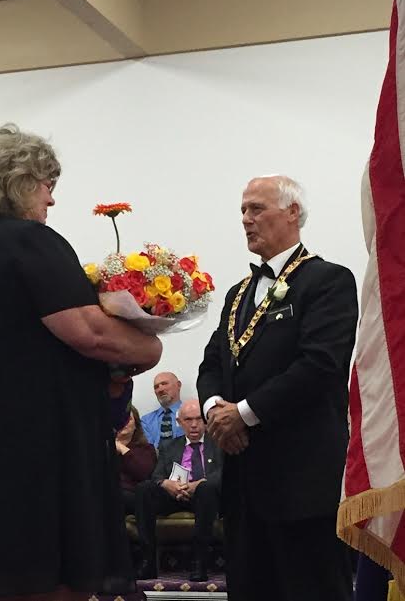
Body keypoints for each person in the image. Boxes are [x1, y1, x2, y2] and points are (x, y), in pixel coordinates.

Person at [0, 123, 162, 601]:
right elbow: (91, 333)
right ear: (17, 181)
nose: (52, 200)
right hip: (39, 442)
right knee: (55, 579)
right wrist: (151, 347)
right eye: (47, 186)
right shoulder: (26, 240)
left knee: (13, 581)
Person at [197, 175, 358, 601]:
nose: (246, 219)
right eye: (243, 211)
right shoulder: (237, 294)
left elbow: (320, 365)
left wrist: (244, 412)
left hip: (303, 480)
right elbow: (211, 363)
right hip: (243, 481)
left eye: (256, 209)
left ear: (292, 213)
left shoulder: (328, 281)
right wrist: (215, 410)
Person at [134, 399, 222, 582]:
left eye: (199, 419)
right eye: (188, 420)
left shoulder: (219, 443)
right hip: (175, 494)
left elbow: (225, 473)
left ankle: (199, 562)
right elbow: (156, 476)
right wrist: (166, 484)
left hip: (206, 496)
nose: (194, 425)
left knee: (206, 489)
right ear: (180, 422)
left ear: (206, 421)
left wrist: (200, 483)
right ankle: (147, 561)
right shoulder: (169, 445)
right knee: (144, 489)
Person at [115, 405, 157, 514]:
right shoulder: (102, 447)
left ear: (136, 425)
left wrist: (123, 449)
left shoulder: (146, 449)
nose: (124, 423)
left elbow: (144, 473)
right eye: (120, 420)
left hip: (132, 495)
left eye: (128, 419)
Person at [141, 372, 184, 449]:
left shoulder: (193, 414)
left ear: (178, 385)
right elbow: (149, 453)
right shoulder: (146, 421)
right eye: (156, 387)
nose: (160, 389)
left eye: (164, 384)